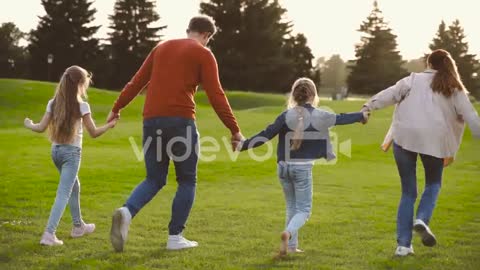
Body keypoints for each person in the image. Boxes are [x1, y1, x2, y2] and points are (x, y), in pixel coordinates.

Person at [107, 15, 243, 252]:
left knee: (154, 178)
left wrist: (116, 108)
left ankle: (127, 211)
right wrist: (234, 129)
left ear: (188, 29)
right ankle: (175, 237)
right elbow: (216, 95)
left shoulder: (160, 48)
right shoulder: (204, 53)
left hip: (151, 121)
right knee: (187, 179)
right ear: (206, 36)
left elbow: (136, 82)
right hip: (180, 122)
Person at [362, 49, 480, 256]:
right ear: (447, 63)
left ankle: (403, 246)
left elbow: (389, 94)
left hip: (404, 137)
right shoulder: (454, 87)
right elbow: (471, 116)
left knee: (408, 192)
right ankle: (421, 220)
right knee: (433, 184)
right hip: (434, 140)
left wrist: (367, 107)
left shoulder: (412, 80)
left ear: (428, 63)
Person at [237, 78, 368, 255]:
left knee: (292, 206)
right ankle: (288, 234)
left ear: (294, 95)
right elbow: (341, 118)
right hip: (301, 168)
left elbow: (266, 134)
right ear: (313, 95)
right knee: (304, 210)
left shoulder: (285, 116)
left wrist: (242, 145)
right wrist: (361, 115)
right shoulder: (320, 115)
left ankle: (291, 247)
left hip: (282, 167)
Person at [24, 66, 117, 246]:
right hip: (71, 154)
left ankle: (78, 226)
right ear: (80, 84)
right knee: (64, 193)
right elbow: (94, 132)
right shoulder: (82, 105)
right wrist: (110, 125)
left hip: (56, 152)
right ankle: (49, 234)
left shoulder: (53, 103)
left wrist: (29, 124)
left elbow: (41, 127)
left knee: (74, 186)